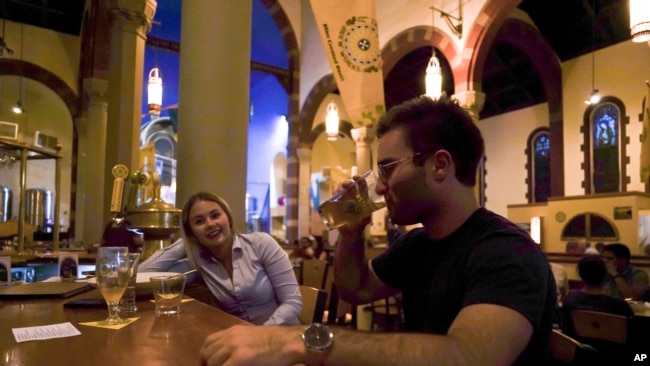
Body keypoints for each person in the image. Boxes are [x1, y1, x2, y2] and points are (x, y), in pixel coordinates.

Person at [199, 95, 556, 366]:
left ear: (440, 165)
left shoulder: (507, 252)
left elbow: (466, 357)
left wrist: (297, 340)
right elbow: (354, 288)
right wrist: (352, 234)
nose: (380, 186)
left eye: (387, 168)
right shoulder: (418, 244)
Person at [139, 191, 302, 325]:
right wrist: (185, 242)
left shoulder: (261, 243)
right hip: (240, 341)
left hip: (281, 336)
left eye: (215, 215)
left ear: (228, 219)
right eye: (199, 221)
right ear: (192, 232)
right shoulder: (198, 264)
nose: (210, 224)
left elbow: (292, 301)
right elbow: (143, 274)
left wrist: (259, 335)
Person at [562, 255, 633, 336]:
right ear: (605, 275)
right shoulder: (620, 306)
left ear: (581, 275)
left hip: (578, 346)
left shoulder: (571, 297)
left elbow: (566, 331)